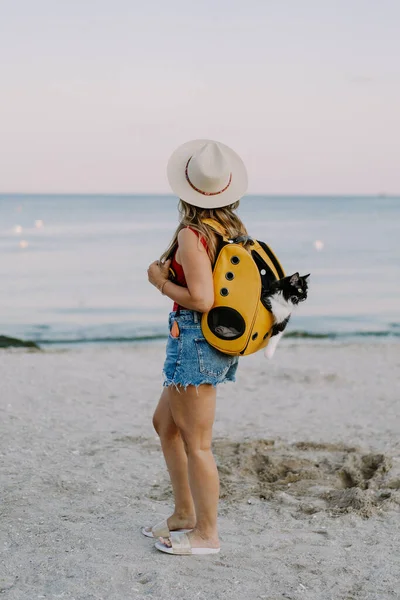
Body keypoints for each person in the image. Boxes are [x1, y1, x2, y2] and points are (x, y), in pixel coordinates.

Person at [144, 139, 249, 555]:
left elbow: (202, 300)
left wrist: (160, 283)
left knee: (198, 444)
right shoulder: (232, 230)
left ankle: (207, 535)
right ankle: (185, 514)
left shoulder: (193, 234)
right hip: (211, 341)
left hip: (196, 339)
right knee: (164, 425)